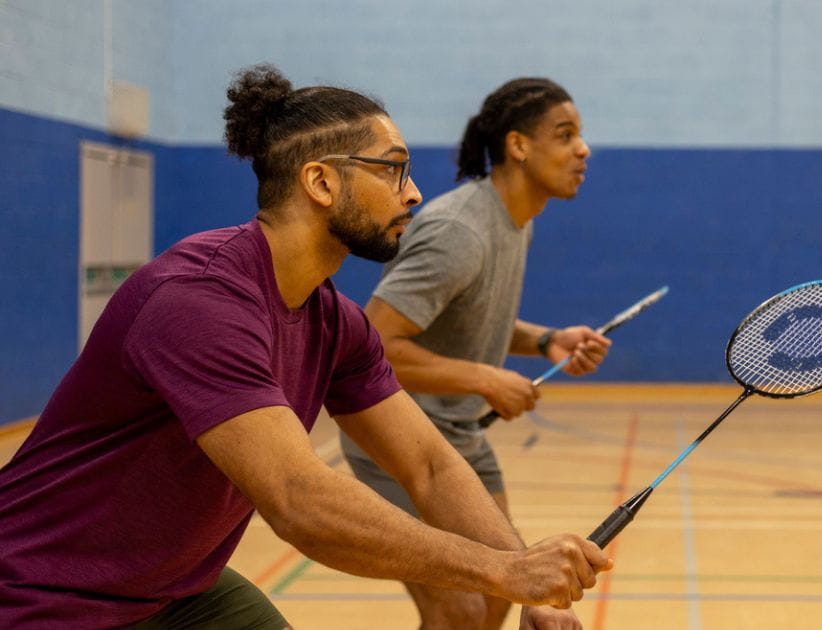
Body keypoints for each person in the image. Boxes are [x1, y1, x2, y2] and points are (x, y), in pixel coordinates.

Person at [0, 65, 609, 630]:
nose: (414, 192)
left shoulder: (334, 321)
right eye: (392, 168)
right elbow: (301, 502)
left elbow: (429, 463)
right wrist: (502, 571)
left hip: (174, 590)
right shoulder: (200, 301)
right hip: (46, 595)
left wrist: (524, 573)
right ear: (320, 180)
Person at [339, 77, 611, 630]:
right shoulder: (459, 229)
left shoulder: (514, 221)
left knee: (498, 596)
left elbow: (465, 311)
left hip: (458, 435)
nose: (583, 149)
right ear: (518, 146)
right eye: (565, 135)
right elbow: (374, 344)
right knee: (457, 610)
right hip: (395, 436)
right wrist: (486, 379)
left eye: (580, 136)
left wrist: (543, 340)